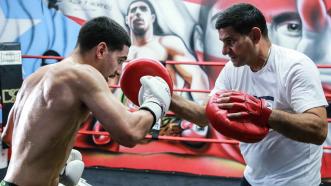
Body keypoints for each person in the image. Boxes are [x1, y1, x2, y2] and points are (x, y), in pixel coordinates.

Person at [0, 16, 171, 186]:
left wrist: (57, 162)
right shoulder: (84, 75)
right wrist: (155, 103)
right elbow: (130, 132)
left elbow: (9, 136)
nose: (119, 71)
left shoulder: (35, 78)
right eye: (120, 61)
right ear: (101, 50)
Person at [170, 3, 328, 186]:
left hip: (294, 181)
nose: (224, 51)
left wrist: (264, 113)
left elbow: (318, 130)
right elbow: (204, 116)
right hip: (253, 178)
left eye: (231, 41)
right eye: (223, 42)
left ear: (255, 35)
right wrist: (168, 98)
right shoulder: (232, 70)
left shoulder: (295, 67)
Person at [125, 0, 210, 139]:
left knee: (190, 131)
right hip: (129, 117)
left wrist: (199, 112)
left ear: (152, 17)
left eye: (143, 9)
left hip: (165, 118)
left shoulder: (167, 44)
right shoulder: (121, 51)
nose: (138, 13)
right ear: (127, 19)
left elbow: (196, 75)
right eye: (133, 10)